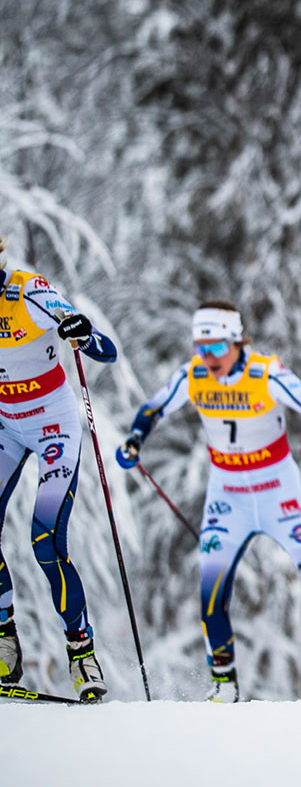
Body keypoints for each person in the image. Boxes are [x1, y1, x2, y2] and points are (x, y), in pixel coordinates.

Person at [114, 301, 301, 703]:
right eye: (200, 347)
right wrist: (136, 438)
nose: (207, 357)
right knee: (211, 592)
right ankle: (224, 685)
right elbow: (153, 408)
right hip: (228, 497)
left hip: (279, 492)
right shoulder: (191, 376)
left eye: (216, 347)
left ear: (236, 341)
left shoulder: (266, 374)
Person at [0, 236, 118, 701]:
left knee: (45, 538)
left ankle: (81, 651)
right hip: (6, 427)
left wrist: (82, 333)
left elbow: (104, 349)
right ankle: (5, 638)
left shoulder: (29, 293)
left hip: (53, 425)